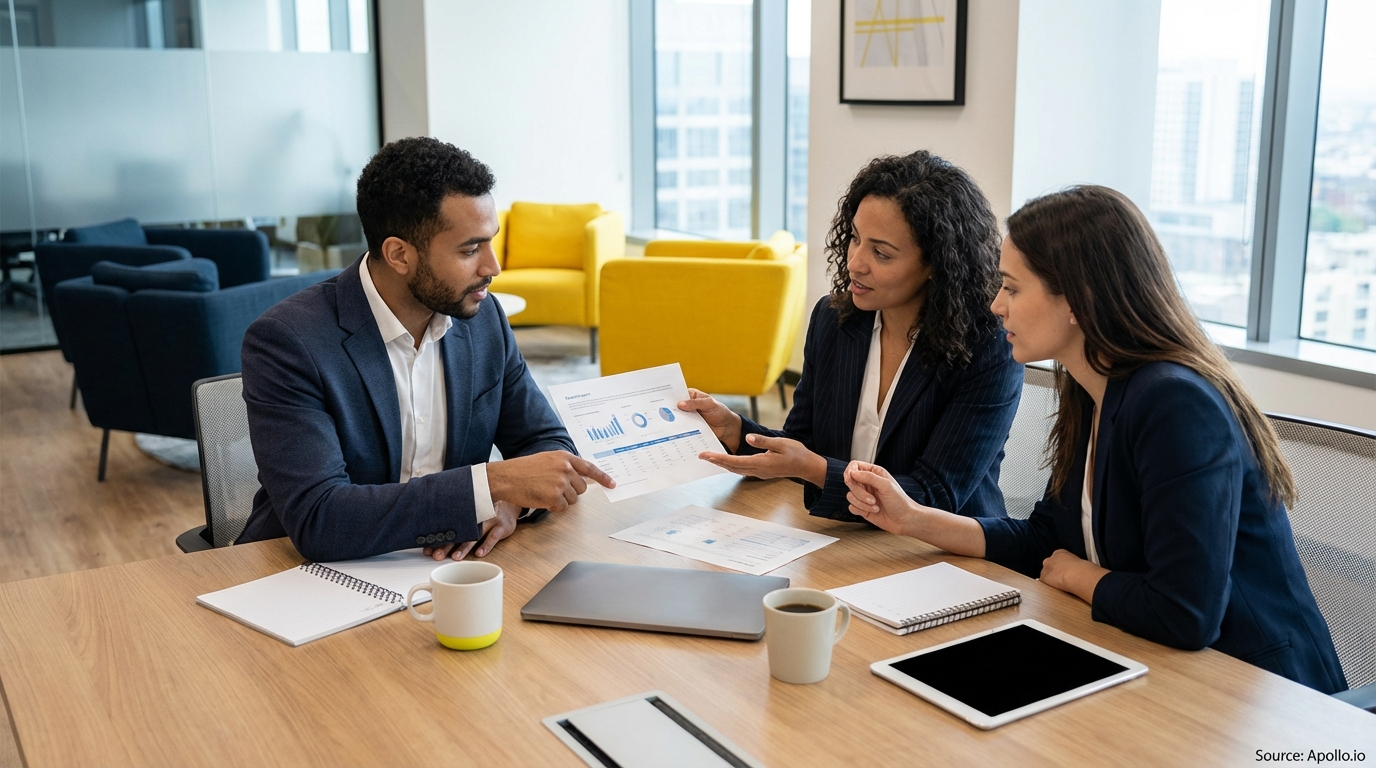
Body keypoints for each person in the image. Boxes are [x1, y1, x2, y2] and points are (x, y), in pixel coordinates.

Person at [843, 185, 1346, 693]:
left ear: (1079, 301)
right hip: (1153, 667)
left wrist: (1078, 576)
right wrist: (911, 518)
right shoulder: (1092, 389)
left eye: (1013, 289)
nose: (996, 306)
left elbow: (1185, 613)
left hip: (1261, 695)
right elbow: (1044, 540)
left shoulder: (1175, 405)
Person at [237, 137, 614, 563]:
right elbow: (321, 519)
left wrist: (512, 503)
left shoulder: (483, 319)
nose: (493, 267)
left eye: (490, 241)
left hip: (449, 567)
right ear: (399, 254)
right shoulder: (288, 341)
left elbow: (546, 443)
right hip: (303, 575)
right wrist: (488, 486)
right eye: (470, 249)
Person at [680, 151, 1022, 521]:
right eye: (855, 238)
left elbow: (935, 494)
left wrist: (814, 470)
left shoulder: (990, 348)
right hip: (845, 537)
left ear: (937, 265)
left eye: (881, 253)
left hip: (946, 557)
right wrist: (736, 430)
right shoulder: (834, 320)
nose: (855, 262)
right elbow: (802, 444)